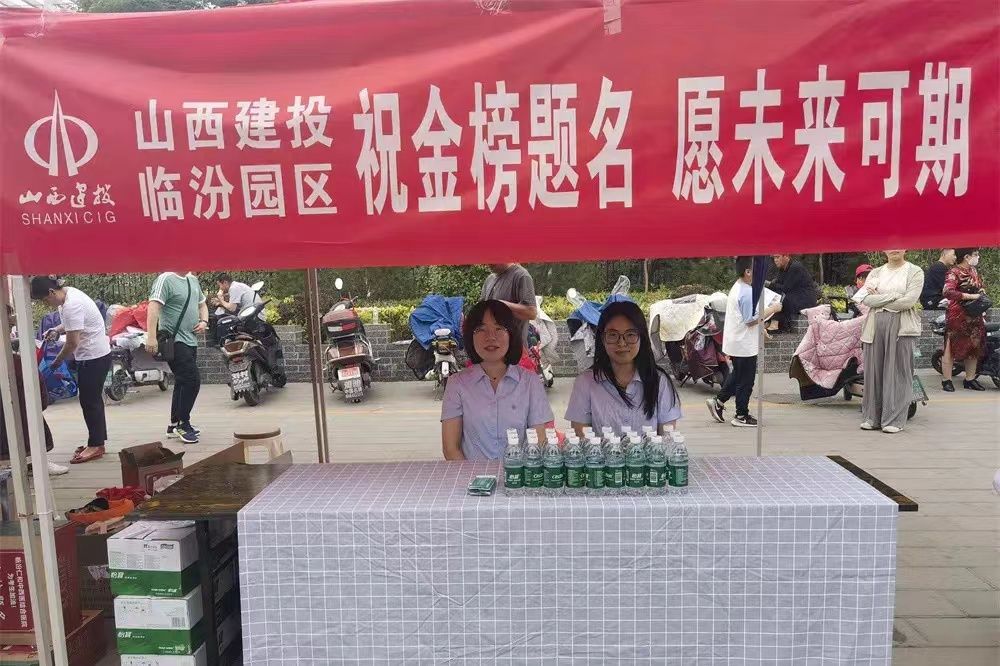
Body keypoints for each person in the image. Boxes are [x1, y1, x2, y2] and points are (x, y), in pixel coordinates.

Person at [441, 300, 552, 460]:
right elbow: (451, 449)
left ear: (511, 334)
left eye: (499, 328)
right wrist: (474, 476)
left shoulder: (530, 382)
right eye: (481, 329)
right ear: (471, 336)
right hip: (471, 475)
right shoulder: (456, 384)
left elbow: (539, 442)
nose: (490, 337)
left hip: (519, 473)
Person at [566, 301, 681, 435]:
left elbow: (667, 440)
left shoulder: (660, 382)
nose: (621, 343)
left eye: (630, 334)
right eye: (613, 335)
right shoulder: (585, 382)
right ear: (602, 339)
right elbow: (581, 438)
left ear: (642, 337)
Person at [31, 276, 111, 464]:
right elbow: (72, 323)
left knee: (90, 402)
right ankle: (98, 441)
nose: (46, 304)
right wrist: (57, 330)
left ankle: (96, 445)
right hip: (94, 355)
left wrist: (56, 363)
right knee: (92, 401)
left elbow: (72, 343)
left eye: (45, 300)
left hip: (93, 357)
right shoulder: (68, 293)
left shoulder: (72, 304)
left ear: (51, 292)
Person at [707, 257, 783, 428]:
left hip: (738, 341)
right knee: (746, 381)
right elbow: (750, 319)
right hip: (744, 344)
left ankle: (718, 401)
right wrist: (773, 309)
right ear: (748, 272)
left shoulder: (739, 287)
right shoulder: (747, 292)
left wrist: (761, 329)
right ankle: (741, 415)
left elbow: (744, 317)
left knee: (738, 376)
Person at [858, 250, 924, 433]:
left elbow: (908, 301)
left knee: (898, 371)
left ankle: (894, 419)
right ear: (884, 249)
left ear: (905, 248)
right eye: (889, 245)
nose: (894, 249)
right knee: (874, 371)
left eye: (899, 244)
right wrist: (894, 296)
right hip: (874, 325)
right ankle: (872, 417)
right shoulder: (876, 272)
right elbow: (866, 299)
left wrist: (879, 299)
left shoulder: (915, 271)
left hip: (902, 326)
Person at [145, 272, 208, 444]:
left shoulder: (193, 279)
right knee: (192, 380)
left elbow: (202, 304)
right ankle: (183, 424)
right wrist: (151, 337)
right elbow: (153, 306)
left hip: (191, 340)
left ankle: (174, 424)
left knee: (182, 381)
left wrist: (204, 321)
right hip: (173, 340)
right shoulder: (166, 279)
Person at [941, 248, 988, 392]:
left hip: (974, 314)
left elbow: (979, 286)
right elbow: (948, 292)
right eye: (975, 255)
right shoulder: (954, 272)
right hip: (958, 315)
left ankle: (970, 379)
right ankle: (947, 380)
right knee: (950, 347)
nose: (978, 257)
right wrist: (971, 296)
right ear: (967, 257)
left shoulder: (973, 271)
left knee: (974, 346)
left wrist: (981, 292)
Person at [480, 264, 537, 343]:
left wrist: (502, 305)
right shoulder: (490, 279)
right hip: (491, 345)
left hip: (514, 346)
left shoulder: (521, 275)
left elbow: (531, 313)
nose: (487, 264)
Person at [767, 254, 818, 333]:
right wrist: (772, 285)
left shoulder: (795, 267)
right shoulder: (782, 269)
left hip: (805, 299)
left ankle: (777, 324)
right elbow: (777, 285)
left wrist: (771, 284)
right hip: (794, 296)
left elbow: (785, 288)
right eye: (774, 258)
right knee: (775, 295)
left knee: (783, 298)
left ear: (786, 256)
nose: (775, 260)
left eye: (777, 257)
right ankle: (769, 321)